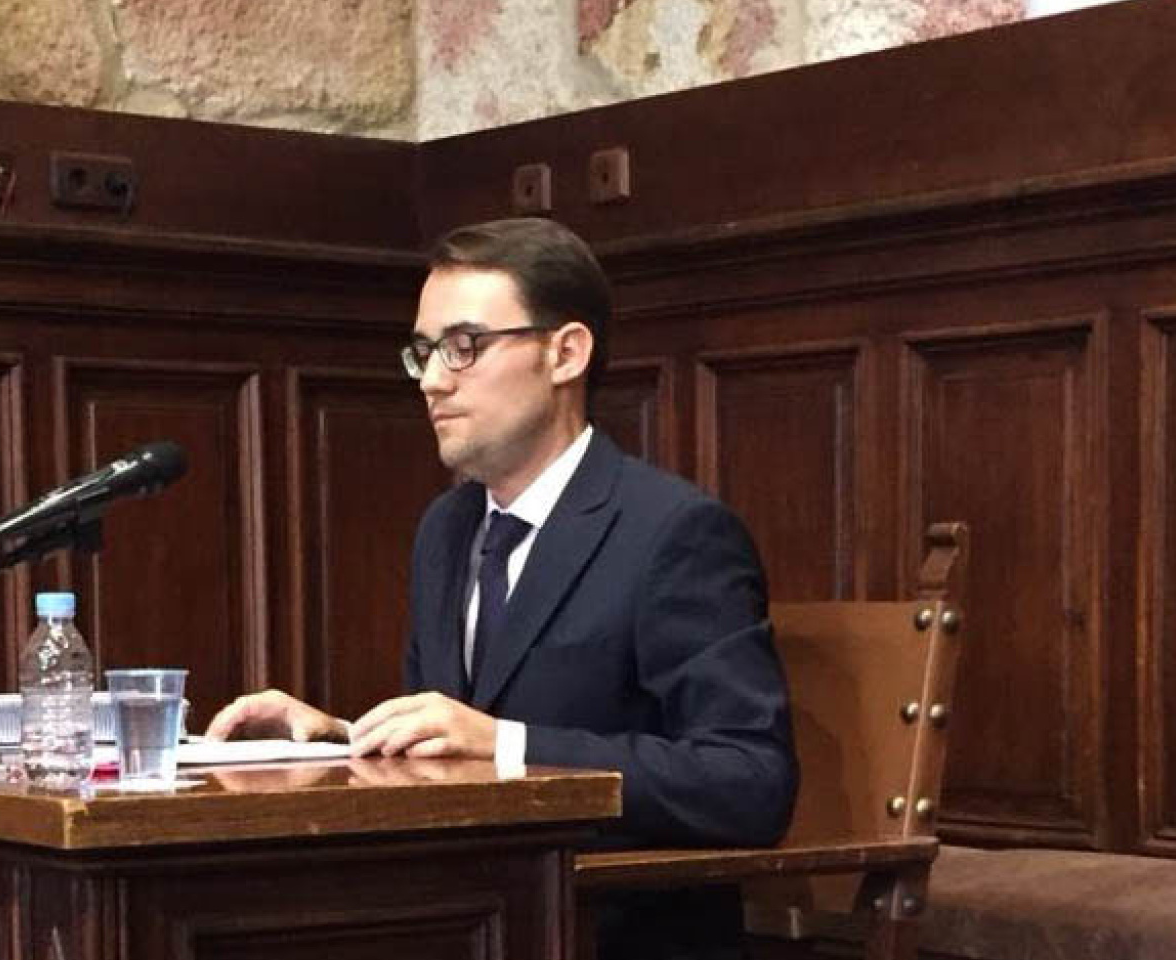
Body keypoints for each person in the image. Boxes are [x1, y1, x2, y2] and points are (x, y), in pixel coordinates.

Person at [206, 217, 797, 960]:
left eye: (464, 347)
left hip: (605, 932)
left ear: (565, 353)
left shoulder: (673, 533)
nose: (431, 379)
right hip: (461, 924)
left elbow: (750, 780)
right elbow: (455, 757)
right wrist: (342, 739)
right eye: (422, 352)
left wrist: (509, 745)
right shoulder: (446, 530)